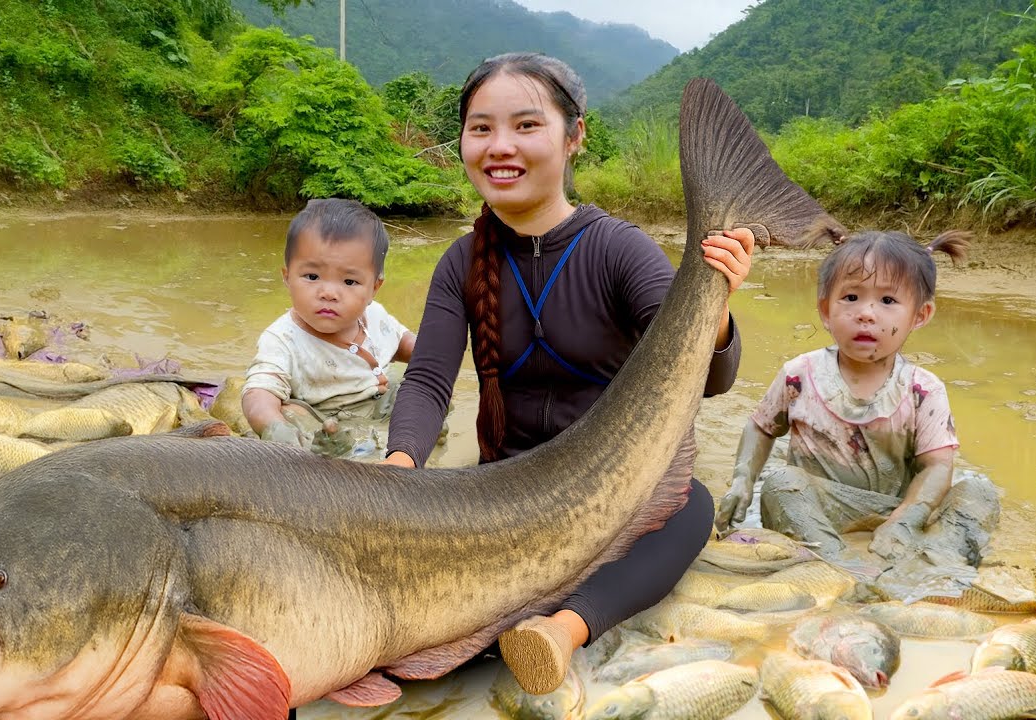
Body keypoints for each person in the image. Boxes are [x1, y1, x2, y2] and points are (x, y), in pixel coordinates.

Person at [382, 52, 755, 695]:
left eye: (526, 125)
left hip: (621, 490)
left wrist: (715, 306)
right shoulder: (460, 262)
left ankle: (567, 630)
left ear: (574, 135)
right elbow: (427, 381)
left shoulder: (617, 248)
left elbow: (709, 380)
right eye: (481, 128)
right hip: (504, 490)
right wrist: (396, 472)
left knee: (692, 506)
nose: (501, 147)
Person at [715, 230, 973, 565]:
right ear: (825, 310)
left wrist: (905, 521)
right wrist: (742, 480)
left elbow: (937, 467)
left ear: (919, 316)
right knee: (781, 483)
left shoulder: (923, 390)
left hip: (896, 510)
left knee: (976, 493)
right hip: (817, 506)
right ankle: (836, 565)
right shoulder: (800, 375)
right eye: (851, 297)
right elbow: (761, 428)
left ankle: (940, 566)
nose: (866, 313)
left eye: (888, 301)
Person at [242, 198, 416, 451]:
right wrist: (273, 426)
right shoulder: (282, 338)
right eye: (312, 277)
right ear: (287, 277)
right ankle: (332, 446)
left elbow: (404, 344)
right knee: (291, 413)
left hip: (379, 404)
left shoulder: (376, 315)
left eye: (349, 282)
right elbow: (258, 393)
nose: (328, 293)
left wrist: (436, 359)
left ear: (373, 289)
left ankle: (421, 430)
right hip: (321, 417)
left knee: (414, 388)